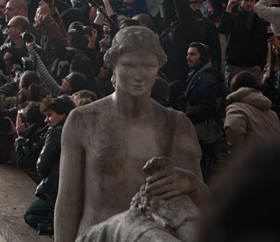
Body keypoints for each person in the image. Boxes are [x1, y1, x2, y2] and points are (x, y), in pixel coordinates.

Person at [55, 27, 206, 242]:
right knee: (133, 224)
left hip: (154, 231)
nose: (138, 75)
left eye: (148, 66)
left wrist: (191, 182)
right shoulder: (84, 120)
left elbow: (195, 208)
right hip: (98, 234)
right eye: (129, 66)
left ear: (158, 67)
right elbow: (68, 201)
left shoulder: (175, 123)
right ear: (113, 66)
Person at [24, 96, 73, 234]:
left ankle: (54, 225)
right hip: (70, 187)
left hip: (55, 189)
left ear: (62, 113)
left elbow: (42, 165)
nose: (46, 120)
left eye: (49, 115)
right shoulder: (75, 127)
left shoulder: (56, 130)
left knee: (29, 215)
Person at [183, 42, 225, 182]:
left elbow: (209, 107)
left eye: (193, 54)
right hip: (196, 133)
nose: (188, 57)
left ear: (203, 57)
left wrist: (187, 116)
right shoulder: (195, 74)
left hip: (204, 135)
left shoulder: (207, 78)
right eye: (188, 54)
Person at [219, 0, 269, 84]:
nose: (249, 3)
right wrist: (229, 8)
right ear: (241, 1)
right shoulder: (233, 18)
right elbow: (222, 29)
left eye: (252, 1)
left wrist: (260, 65)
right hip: (235, 65)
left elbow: (263, 45)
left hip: (253, 67)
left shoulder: (259, 21)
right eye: (246, 0)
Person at [224, 71, 280, 153]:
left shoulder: (236, 108)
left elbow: (234, 130)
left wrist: (239, 156)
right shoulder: (271, 113)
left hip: (251, 160)